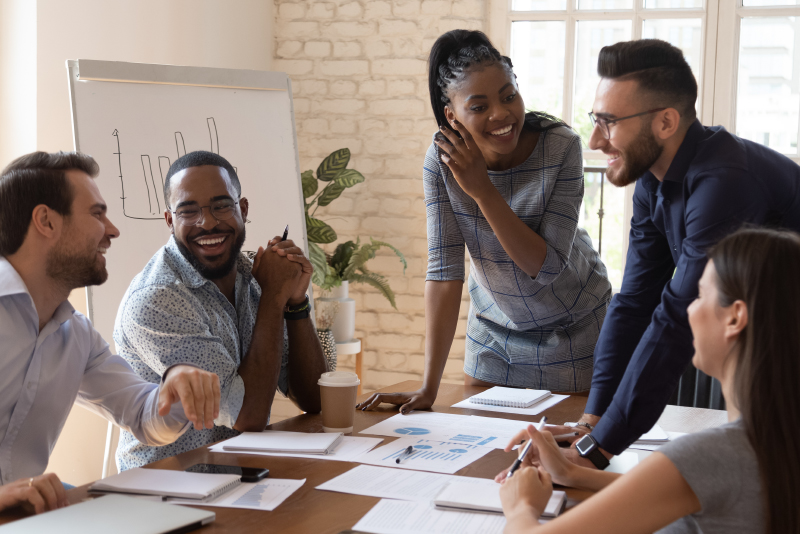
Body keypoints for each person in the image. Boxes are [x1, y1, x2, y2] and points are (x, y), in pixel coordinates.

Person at [551, 39, 800, 461]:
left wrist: (594, 453)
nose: (594, 140)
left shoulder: (724, 183)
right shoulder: (654, 180)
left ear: (666, 122)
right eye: (596, 119)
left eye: (608, 122)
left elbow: (676, 318)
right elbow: (634, 302)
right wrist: (589, 426)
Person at [357, 30, 612, 413]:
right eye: (478, 107)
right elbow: (444, 272)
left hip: (575, 330)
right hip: (494, 334)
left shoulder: (561, 146)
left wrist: (482, 190)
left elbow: (544, 267)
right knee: (482, 458)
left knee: (563, 458)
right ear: (452, 115)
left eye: (509, 96)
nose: (501, 114)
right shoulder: (440, 162)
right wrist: (429, 388)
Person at [497, 227, 800, 533]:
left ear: (735, 318)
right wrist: (574, 474)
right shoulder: (772, 442)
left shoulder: (711, 453)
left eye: (700, 295)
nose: (689, 310)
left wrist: (521, 507)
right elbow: (688, 488)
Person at [0, 151, 222, 514]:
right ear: (46, 221)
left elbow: (145, 418)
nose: (113, 230)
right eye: (97, 213)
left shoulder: (77, 335)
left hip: (27, 520)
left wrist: (177, 383)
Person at [114, 150, 327, 470]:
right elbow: (248, 415)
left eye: (221, 206)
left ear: (242, 209)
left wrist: (295, 303)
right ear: (170, 220)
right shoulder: (157, 299)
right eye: (188, 210)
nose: (208, 222)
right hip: (168, 488)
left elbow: (315, 400)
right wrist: (273, 296)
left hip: (241, 474)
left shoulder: (251, 274)